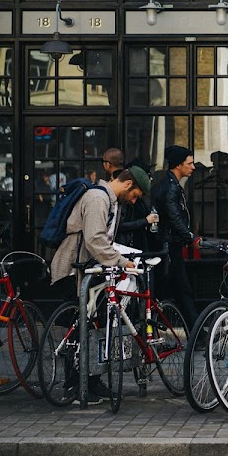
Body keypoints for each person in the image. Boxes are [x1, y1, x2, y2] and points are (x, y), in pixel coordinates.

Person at [48, 166, 151, 404]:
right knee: (80, 327)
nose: (135, 201)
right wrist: (122, 262)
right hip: (72, 269)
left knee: (94, 325)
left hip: (86, 270)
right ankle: (75, 386)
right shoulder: (98, 198)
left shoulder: (110, 200)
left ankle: (91, 382)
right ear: (128, 184)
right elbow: (95, 239)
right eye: (135, 195)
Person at [151, 145, 200, 324]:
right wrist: (191, 238)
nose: (193, 167)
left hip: (168, 245)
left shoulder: (170, 184)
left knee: (173, 290)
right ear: (179, 165)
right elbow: (173, 216)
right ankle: (198, 334)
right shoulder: (171, 187)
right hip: (169, 246)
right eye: (190, 163)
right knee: (181, 289)